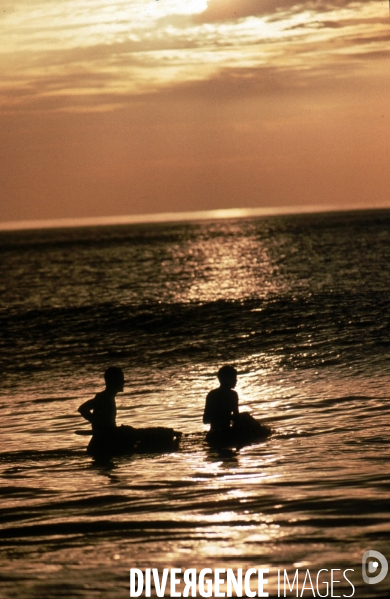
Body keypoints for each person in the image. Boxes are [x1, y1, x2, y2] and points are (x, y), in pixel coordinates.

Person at [78, 366, 124, 433]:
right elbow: (82, 408)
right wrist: (95, 421)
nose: (123, 382)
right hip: (102, 439)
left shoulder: (108, 397)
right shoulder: (103, 398)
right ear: (113, 381)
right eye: (121, 379)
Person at [203, 365, 239, 433]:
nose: (236, 380)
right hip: (226, 433)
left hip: (213, 434)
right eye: (234, 378)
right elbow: (236, 418)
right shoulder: (233, 395)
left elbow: (206, 420)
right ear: (227, 379)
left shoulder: (212, 394)